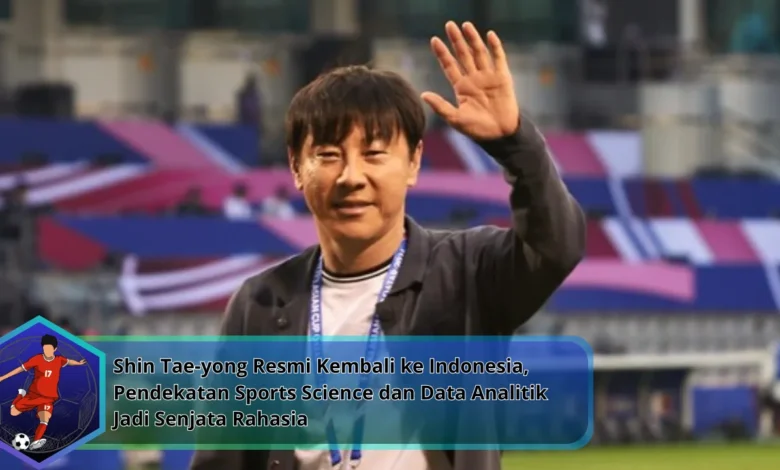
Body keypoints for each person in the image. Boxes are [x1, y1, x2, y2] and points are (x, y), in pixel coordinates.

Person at [191, 21, 585, 470]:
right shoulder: (259, 304)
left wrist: (517, 145)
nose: (351, 176)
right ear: (296, 167)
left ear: (413, 162)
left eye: (374, 153)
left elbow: (557, 246)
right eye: (328, 155)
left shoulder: (468, 272)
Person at [0, 334, 87, 450]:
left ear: (55, 349)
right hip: (34, 394)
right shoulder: (37, 359)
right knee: (13, 412)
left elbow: (69, 361)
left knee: (45, 418)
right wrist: (3, 377)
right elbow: (20, 369)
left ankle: (36, 441)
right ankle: (21, 394)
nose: (47, 351)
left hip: (48, 397)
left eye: (49, 349)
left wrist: (78, 363)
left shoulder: (59, 360)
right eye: (45, 348)